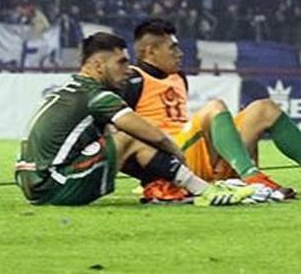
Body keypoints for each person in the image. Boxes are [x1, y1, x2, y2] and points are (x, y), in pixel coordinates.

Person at [123, 18, 301, 202]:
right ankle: (253, 180)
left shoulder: (178, 78)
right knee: (214, 107)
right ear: (150, 52)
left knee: (264, 108)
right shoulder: (133, 80)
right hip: (173, 161)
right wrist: (148, 176)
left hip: (200, 157)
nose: (180, 53)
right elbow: (122, 133)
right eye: (172, 48)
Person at [14, 32, 255, 207]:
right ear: (98, 66)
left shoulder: (70, 89)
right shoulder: (96, 95)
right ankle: (204, 190)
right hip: (55, 185)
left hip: (36, 183)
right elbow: (147, 133)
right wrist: (175, 150)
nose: (128, 69)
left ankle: (170, 186)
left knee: (114, 140)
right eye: (121, 62)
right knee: (129, 136)